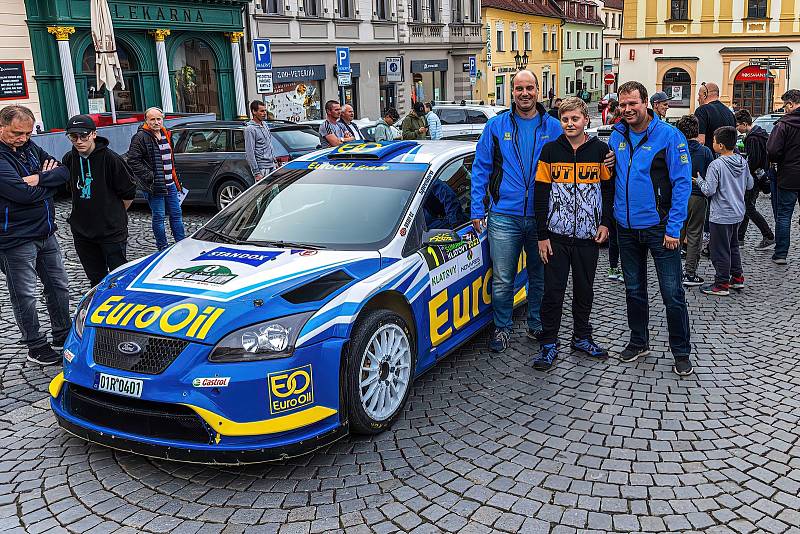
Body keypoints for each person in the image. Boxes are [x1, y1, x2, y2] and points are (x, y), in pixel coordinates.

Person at [472, 70, 586, 353]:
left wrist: (609, 154)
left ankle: (537, 324)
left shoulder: (554, 126)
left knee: (540, 276)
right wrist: (477, 207)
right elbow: (481, 168)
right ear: (513, 92)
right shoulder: (496, 126)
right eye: (519, 88)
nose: (525, 93)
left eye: (530, 88)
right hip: (503, 216)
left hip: (543, 216)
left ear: (538, 90)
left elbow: (581, 148)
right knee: (502, 278)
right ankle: (502, 327)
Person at [609, 81, 693, 376]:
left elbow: (683, 184)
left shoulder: (669, 136)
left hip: (660, 229)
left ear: (646, 103)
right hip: (626, 227)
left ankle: (681, 351)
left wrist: (674, 228)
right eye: (623, 105)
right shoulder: (616, 136)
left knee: (672, 293)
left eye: (633, 103)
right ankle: (638, 341)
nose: (628, 109)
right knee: (633, 289)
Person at [533, 97, 614, 370]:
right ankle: (548, 343)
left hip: (588, 237)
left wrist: (605, 223)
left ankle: (581, 336)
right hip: (555, 237)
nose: (569, 123)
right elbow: (541, 194)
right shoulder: (550, 151)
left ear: (585, 120)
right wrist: (542, 234)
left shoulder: (601, 151)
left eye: (574, 119)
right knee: (553, 293)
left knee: (584, 290)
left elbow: (608, 190)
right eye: (565, 119)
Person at [0, 104, 71, 366]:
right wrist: (47, 180)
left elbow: (63, 171)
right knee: (24, 294)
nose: (23, 139)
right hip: (15, 238)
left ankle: (63, 334)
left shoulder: (29, 147)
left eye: (28, 133)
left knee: (59, 286)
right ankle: (35, 344)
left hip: (45, 231)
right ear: (2, 127)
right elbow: (21, 194)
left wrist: (37, 179)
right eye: (17, 133)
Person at [62, 114, 136, 287]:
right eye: (73, 137)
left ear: (94, 134)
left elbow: (128, 193)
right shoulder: (69, 158)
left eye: (83, 136)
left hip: (111, 231)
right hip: (83, 232)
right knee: (95, 279)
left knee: (118, 278)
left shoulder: (111, 159)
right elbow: (69, 189)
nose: (79, 141)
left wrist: (112, 214)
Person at [694, 126, 752, 296]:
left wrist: (699, 180)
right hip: (737, 212)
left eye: (713, 141)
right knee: (733, 245)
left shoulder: (716, 164)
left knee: (719, 249)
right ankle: (737, 277)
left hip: (721, 214)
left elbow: (709, 190)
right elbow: (750, 185)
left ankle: (721, 284)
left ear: (720, 145)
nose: (712, 143)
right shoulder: (742, 161)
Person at [127, 107, 186, 252]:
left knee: (176, 213)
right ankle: (162, 247)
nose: (156, 122)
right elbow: (133, 160)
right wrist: (150, 176)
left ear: (162, 119)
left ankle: (182, 243)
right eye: (152, 119)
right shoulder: (140, 137)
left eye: (158, 119)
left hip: (170, 184)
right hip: (154, 186)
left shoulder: (166, 133)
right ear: (146, 121)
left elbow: (170, 159)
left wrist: (175, 179)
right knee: (159, 217)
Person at [675, 115, 713, 287]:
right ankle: (690, 273)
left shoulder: (675, 148)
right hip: (698, 196)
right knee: (694, 234)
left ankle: (673, 270)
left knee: (676, 233)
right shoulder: (705, 151)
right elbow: (711, 176)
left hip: (677, 196)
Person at [766, 89, 800, 265]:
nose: (784, 109)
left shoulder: (784, 124)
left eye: (785, 105)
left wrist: (776, 160)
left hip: (789, 175)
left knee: (784, 215)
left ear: (791, 104)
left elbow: (772, 150)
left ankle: (780, 254)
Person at [734, 109, 775, 250]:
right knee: (746, 206)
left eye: (738, 125)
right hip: (758, 176)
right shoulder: (760, 134)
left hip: (754, 178)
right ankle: (740, 238)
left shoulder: (752, 138)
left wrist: (744, 170)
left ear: (744, 124)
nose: (737, 128)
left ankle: (768, 235)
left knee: (749, 208)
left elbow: (754, 160)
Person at [695, 82, 736, 151]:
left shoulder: (702, 110)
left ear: (705, 94)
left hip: (710, 158)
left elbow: (700, 141)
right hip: (726, 158)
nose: (698, 99)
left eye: (699, 95)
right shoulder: (729, 112)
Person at [245, 100, 276, 182]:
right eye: (262, 111)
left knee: (275, 193)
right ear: (254, 111)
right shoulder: (250, 129)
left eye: (265, 110)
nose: (264, 113)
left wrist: (274, 161)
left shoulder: (265, 125)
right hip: (262, 168)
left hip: (272, 166)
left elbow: (269, 144)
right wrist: (256, 173)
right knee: (263, 194)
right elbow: (249, 153)